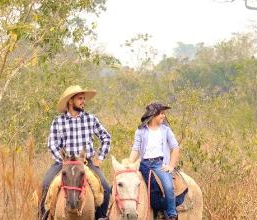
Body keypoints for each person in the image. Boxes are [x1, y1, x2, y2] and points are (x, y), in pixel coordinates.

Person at [38, 85, 112, 220]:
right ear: (70, 101)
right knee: (45, 185)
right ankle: (42, 216)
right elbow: (52, 145)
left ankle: (101, 217)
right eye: (80, 98)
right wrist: (63, 161)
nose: (83, 101)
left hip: (85, 163)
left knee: (105, 188)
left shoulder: (91, 119)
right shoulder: (58, 122)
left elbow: (106, 137)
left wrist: (99, 158)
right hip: (64, 163)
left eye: (84, 99)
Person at [128, 102, 181, 220]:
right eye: (161, 113)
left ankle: (171, 214)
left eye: (164, 114)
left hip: (159, 164)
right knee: (126, 182)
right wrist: (129, 164)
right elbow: (135, 149)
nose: (163, 116)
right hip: (143, 164)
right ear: (153, 114)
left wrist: (171, 166)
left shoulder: (165, 130)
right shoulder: (141, 131)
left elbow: (175, 147)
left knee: (168, 186)